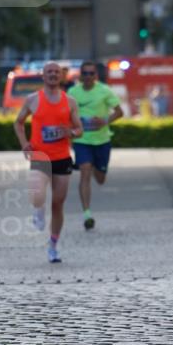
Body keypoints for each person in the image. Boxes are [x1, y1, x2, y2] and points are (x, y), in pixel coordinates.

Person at [14, 60, 83, 263]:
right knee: (37, 195)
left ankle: (53, 245)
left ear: (61, 76)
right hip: (39, 156)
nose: (53, 75)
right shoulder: (32, 99)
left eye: (56, 72)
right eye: (49, 72)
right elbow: (18, 123)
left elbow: (80, 129)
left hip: (62, 157)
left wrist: (70, 132)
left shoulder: (70, 101)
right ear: (43, 76)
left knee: (58, 203)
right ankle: (38, 210)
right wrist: (24, 143)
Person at [68, 61, 123, 230]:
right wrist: (70, 134)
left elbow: (120, 112)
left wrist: (104, 121)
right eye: (85, 73)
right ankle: (87, 214)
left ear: (96, 76)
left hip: (102, 141)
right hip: (82, 141)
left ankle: (94, 167)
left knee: (100, 179)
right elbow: (66, 115)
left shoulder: (104, 91)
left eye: (91, 73)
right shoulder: (73, 92)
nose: (88, 77)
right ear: (80, 75)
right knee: (84, 171)